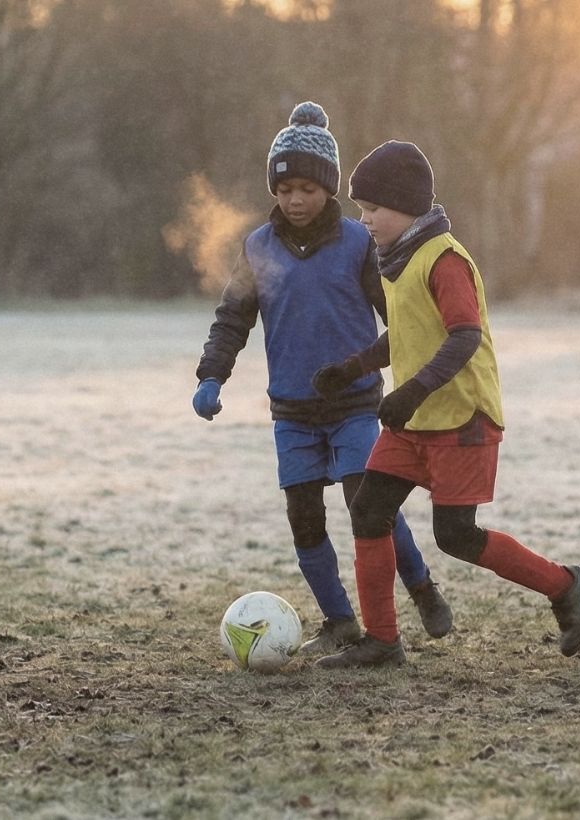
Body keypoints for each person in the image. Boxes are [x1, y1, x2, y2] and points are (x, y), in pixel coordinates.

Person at [312, 140, 580, 668]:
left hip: (462, 419)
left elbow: (463, 337)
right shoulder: (396, 258)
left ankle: (565, 584)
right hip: (415, 420)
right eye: (361, 209)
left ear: (407, 206)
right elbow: (408, 333)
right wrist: (352, 368)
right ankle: (382, 642)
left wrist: (411, 390)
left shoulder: (443, 258)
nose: (365, 219)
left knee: (456, 536)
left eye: (374, 208)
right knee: (369, 511)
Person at [193, 102, 452, 656]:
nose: (295, 199)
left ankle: (422, 587)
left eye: (308, 188)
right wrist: (212, 375)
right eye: (285, 189)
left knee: (370, 509)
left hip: (356, 405)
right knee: (304, 522)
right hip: (292, 414)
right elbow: (233, 318)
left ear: (329, 190)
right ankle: (340, 623)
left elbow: (399, 318)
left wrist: (414, 376)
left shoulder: (361, 244)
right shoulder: (257, 248)